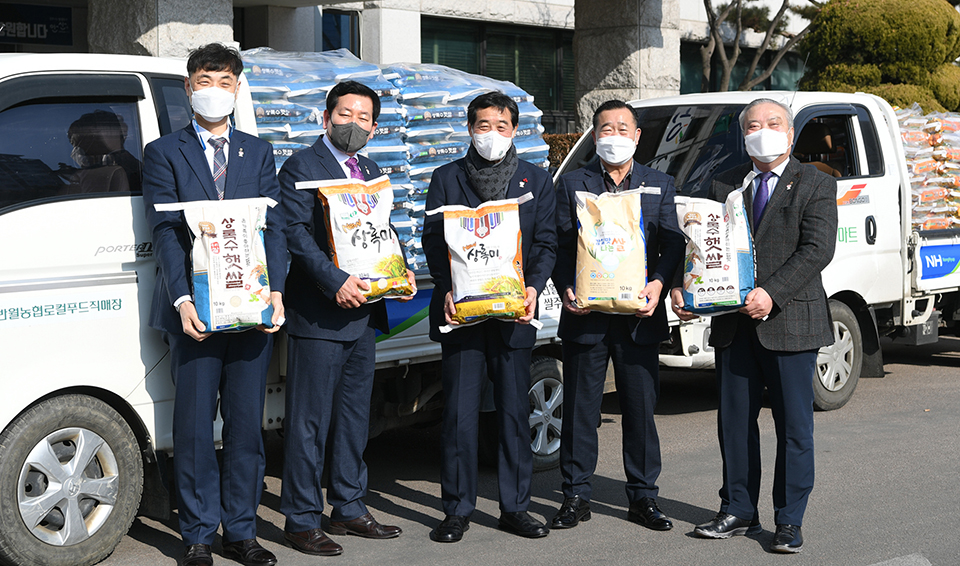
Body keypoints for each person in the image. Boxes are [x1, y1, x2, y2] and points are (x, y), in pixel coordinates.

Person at [671, 98, 838, 554]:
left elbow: (818, 249)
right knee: (735, 424)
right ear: (743, 135)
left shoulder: (815, 183)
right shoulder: (726, 183)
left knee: (794, 428)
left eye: (773, 123)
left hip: (790, 321)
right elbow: (702, 249)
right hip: (734, 328)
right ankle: (738, 509)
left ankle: (789, 520)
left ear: (790, 131)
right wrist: (687, 291)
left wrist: (772, 293)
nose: (763, 131)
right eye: (753, 125)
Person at [142, 43, 285, 566]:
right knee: (196, 429)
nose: (213, 90)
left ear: (237, 87)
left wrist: (275, 292)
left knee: (247, 427)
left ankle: (242, 531)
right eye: (204, 79)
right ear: (188, 87)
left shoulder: (258, 151)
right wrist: (181, 299)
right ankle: (199, 534)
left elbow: (274, 228)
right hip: (196, 313)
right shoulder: (163, 153)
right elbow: (164, 233)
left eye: (224, 81)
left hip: (250, 313)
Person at [278, 80, 415, 557]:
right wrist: (333, 280)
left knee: (355, 417)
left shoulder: (372, 169)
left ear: (374, 128)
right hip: (319, 312)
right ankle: (300, 518)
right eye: (344, 114)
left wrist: (400, 269)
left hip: (365, 314)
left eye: (363, 118)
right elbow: (294, 233)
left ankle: (350, 505)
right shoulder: (301, 166)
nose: (352, 124)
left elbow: (381, 230)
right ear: (325, 117)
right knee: (308, 421)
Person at [422, 91, 557, 543]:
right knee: (459, 414)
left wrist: (533, 287)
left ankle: (515, 507)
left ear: (514, 130)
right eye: (483, 125)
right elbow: (431, 241)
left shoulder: (536, 180)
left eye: (501, 126)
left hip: (514, 315)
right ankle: (457, 509)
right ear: (469, 128)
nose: (492, 134)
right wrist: (444, 288)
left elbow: (546, 244)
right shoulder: (445, 178)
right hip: (461, 314)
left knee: (514, 413)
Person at [549, 100, 685, 532]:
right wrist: (564, 287)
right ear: (594, 135)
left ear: (637, 135)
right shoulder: (572, 183)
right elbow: (557, 244)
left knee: (640, 410)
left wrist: (660, 284)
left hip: (639, 317)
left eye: (622, 128)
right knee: (580, 411)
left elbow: (674, 243)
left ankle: (643, 497)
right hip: (586, 316)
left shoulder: (658, 184)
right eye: (605, 129)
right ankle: (575, 495)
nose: (614, 136)